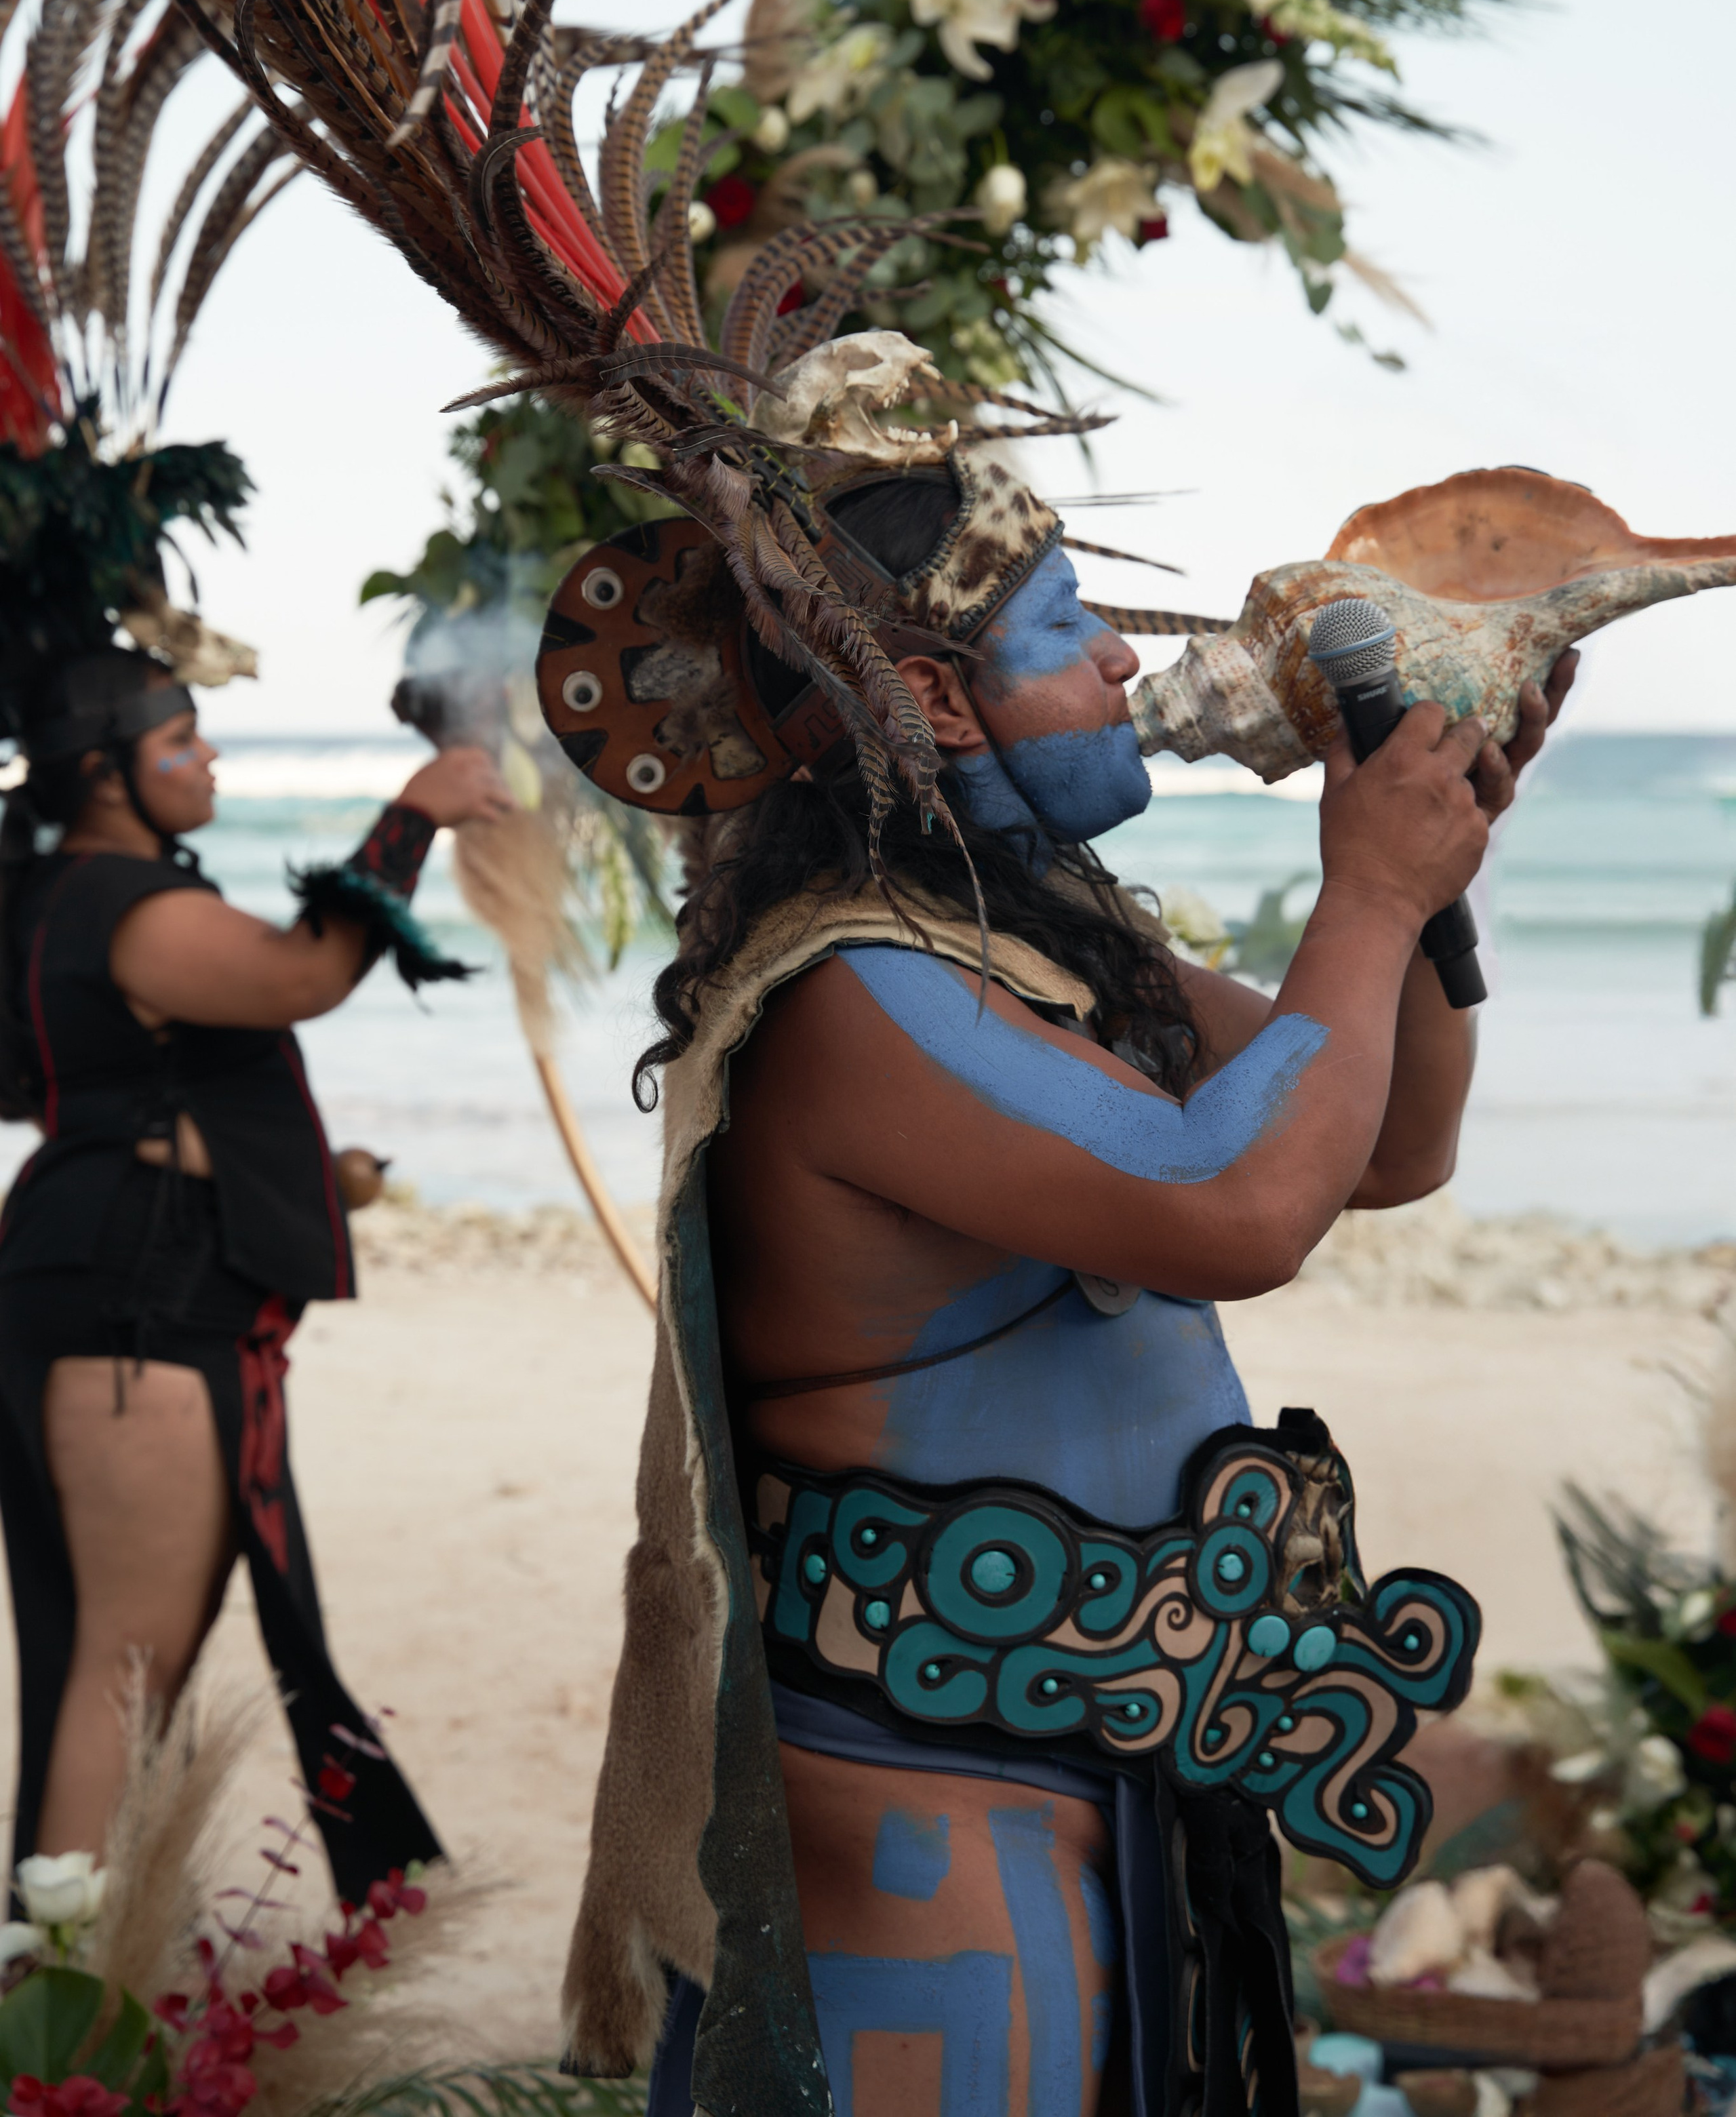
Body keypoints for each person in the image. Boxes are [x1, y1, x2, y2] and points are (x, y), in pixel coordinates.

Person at [553, 431, 1574, 2117]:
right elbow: (1242, 1207)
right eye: (1068, 625)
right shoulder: (856, 992)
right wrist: (1367, 891)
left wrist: (1432, 884)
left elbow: (1388, 1148)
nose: (1122, 660)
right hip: (930, 1797)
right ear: (942, 707)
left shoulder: (1036, 948)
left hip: (1091, 1766)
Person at [0, 645, 513, 1902]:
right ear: (109, 775)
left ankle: (65, 1992)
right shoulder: (126, 903)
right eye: (184, 734)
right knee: (124, 1664)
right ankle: (57, 2009)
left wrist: (303, 1174)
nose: (211, 754)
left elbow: (123, 1093)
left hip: (97, 1270)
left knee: (103, 1654)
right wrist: (415, 814)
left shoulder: (59, 901)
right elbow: (304, 974)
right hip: (141, 1299)